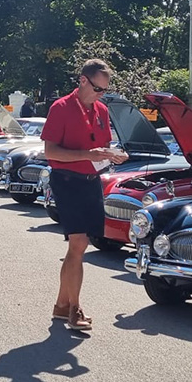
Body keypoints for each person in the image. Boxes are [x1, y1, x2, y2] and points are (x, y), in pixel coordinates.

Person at [43, 59, 128, 331]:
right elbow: (51, 152)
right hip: (67, 181)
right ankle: (75, 309)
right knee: (78, 243)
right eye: (97, 89)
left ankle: (61, 305)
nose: (101, 95)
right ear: (82, 80)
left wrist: (113, 154)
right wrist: (86, 155)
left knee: (77, 247)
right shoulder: (61, 108)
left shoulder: (101, 110)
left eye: (105, 90)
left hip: (92, 181)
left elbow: (100, 145)